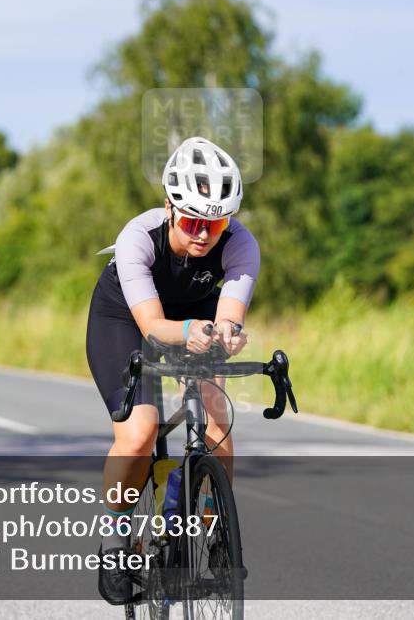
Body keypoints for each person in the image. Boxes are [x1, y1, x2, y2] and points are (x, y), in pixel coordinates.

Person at [85, 137, 260, 604]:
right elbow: (153, 326)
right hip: (127, 317)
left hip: (194, 313)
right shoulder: (138, 238)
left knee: (217, 417)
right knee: (139, 432)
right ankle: (117, 537)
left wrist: (227, 333)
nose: (204, 234)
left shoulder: (241, 243)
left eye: (216, 222)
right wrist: (190, 332)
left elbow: (229, 312)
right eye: (192, 221)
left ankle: (209, 527)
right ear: (169, 207)